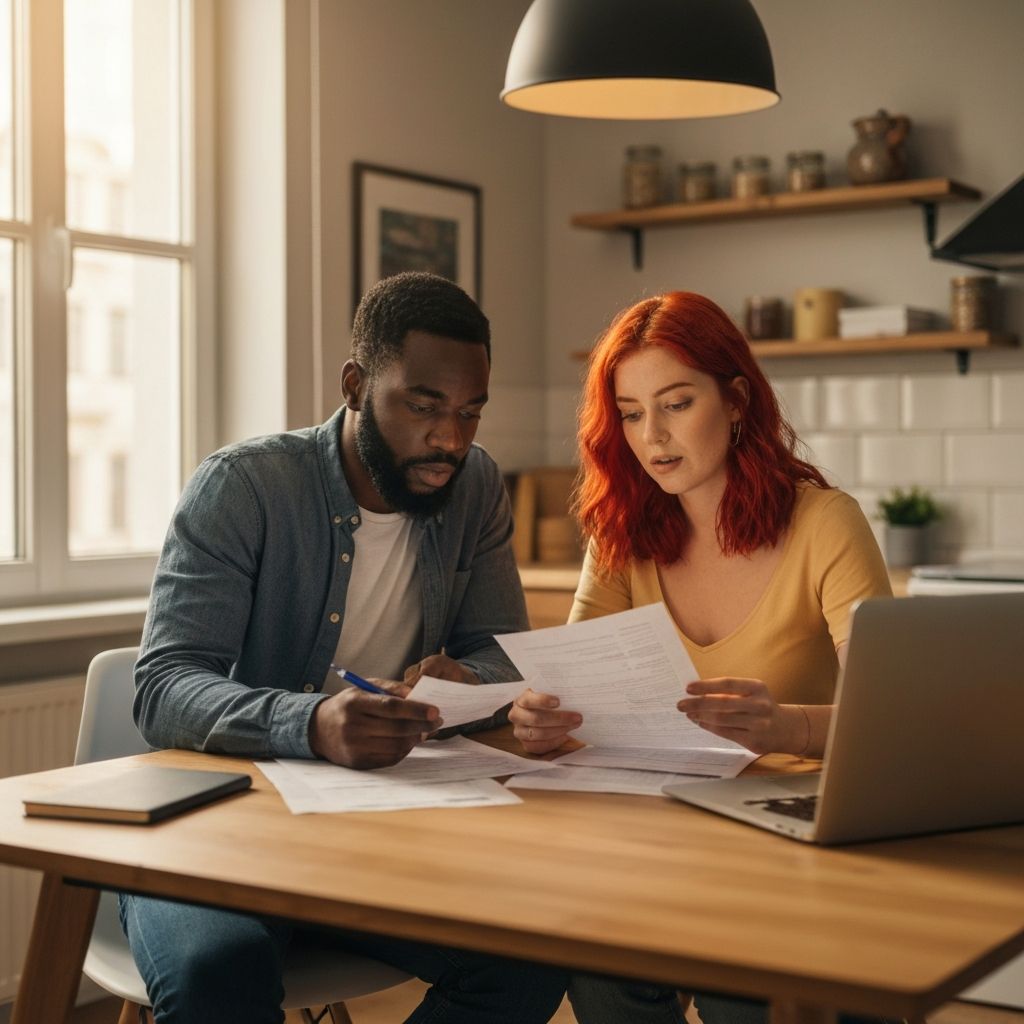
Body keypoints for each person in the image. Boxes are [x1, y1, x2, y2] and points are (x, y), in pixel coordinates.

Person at [123, 272, 567, 1024]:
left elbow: (503, 655)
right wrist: (312, 723)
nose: (451, 439)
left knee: (534, 957)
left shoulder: (476, 485)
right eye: (424, 407)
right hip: (220, 830)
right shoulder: (243, 486)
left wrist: (466, 679)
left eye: (470, 413)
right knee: (217, 974)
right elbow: (163, 685)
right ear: (356, 385)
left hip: (380, 832)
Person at [507, 290, 891, 1024]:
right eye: (630, 412)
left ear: (737, 399)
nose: (652, 436)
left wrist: (786, 730)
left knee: (736, 986)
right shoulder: (619, 533)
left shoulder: (825, 524)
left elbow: (896, 724)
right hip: (662, 839)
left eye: (676, 403)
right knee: (599, 969)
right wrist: (544, 717)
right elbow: (572, 688)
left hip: (797, 847)